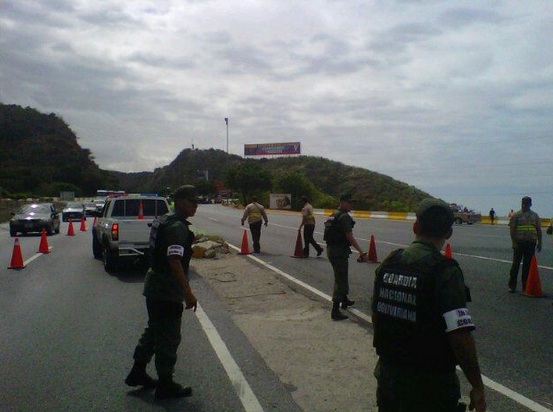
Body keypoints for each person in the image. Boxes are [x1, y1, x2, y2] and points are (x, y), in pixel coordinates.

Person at [371, 198, 486, 412]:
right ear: (448, 233)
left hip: (389, 379)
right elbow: (460, 336)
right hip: (431, 387)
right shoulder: (445, 272)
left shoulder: (389, 263)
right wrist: (477, 385)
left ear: (415, 227)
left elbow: (377, 316)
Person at [125, 185, 199, 399]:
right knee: (168, 337)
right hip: (166, 289)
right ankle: (165, 384)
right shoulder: (176, 226)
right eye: (192, 202)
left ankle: (137, 371)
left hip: (155, 284)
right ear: (181, 201)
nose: (196, 206)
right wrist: (187, 292)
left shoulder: (164, 219)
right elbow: (174, 260)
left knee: (154, 331)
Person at [324, 193, 366, 321]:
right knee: (341, 279)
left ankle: (345, 300)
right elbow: (349, 236)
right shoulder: (344, 217)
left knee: (341, 275)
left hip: (332, 250)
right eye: (349, 202)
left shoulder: (334, 214)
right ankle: (335, 310)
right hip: (339, 251)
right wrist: (361, 251)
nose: (351, 204)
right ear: (342, 202)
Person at [508, 196, 542, 293]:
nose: (524, 205)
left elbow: (539, 230)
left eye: (526, 203)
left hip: (531, 244)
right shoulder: (516, 215)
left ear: (530, 204)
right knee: (515, 265)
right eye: (523, 203)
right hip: (519, 243)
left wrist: (540, 243)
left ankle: (525, 286)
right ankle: (512, 285)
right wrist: (513, 242)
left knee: (527, 266)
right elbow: (512, 229)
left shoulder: (535, 216)